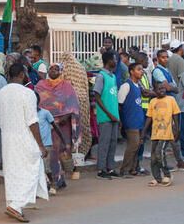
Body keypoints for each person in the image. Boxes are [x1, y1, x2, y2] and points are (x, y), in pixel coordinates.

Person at [0, 63, 48, 223]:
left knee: (12, 172)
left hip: (7, 139)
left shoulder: (1, 93)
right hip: (25, 139)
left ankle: (13, 203)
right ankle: (16, 205)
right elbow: (32, 121)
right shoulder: (28, 93)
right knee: (31, 170)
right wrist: (40, 145)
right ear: (22, 74)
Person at [143, 83, 179, 187]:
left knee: (160, 153)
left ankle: (167, 175)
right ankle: (157, 178)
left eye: (163, 88)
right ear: (155, 91)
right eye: (159, 89)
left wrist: (177, 129)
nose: (162, 90)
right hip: (155, 134)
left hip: (166, 133)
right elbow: (149, 118)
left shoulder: (171, 99)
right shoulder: (153, 101)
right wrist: (144, 132)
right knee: (153, 156)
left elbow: (176, 114)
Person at [118, 62, 150, 177]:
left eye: (142, 69)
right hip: (130, 121)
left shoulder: (138, 85)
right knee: (133, 146)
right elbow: (120, 104)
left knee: (138, 146)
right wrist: (122, 122)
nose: (141, 71)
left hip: (139, 120)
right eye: (138, 69)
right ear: (131, 71)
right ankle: (124, 170)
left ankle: (133, 168)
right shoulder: (126, 85)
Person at [92, 51, 121, 180]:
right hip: (105, 117)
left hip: (114, 116)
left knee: (113, 142)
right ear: (109, 60)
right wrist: (109, 113)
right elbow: (97, 96)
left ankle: (110, 167)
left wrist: (116, 115)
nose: (116, 61)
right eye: (114, 59)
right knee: (104, 142)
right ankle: (101, 169)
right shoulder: (101, 76)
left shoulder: (113, 76)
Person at [62, 53, 93, 162]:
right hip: (83, 101)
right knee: (82, 127)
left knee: (70, 129)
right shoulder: (81, 68)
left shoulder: (64, 67)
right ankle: (80, 153)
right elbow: (86, 85)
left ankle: (70, 157)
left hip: (69, 101)